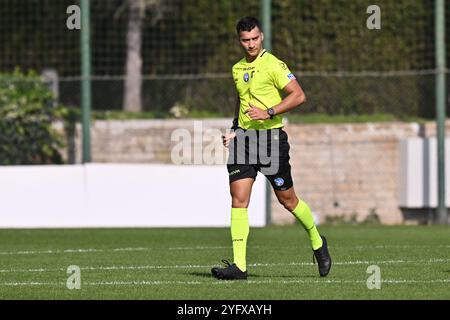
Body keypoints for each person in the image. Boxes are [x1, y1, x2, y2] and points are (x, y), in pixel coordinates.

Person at [211, 16, 331, 280]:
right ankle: (239, 266)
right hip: (243, 141)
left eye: (254, 38)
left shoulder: (274, 65)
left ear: (261, 36)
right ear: (239, 40)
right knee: (238, 200)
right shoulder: (236, 69)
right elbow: (241, 101)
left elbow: (299, 95)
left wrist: (269, 111)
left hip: (270, 141)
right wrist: (234, 129)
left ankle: (317, 240)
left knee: (287, 200)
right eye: (245, 40)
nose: (250, 44)